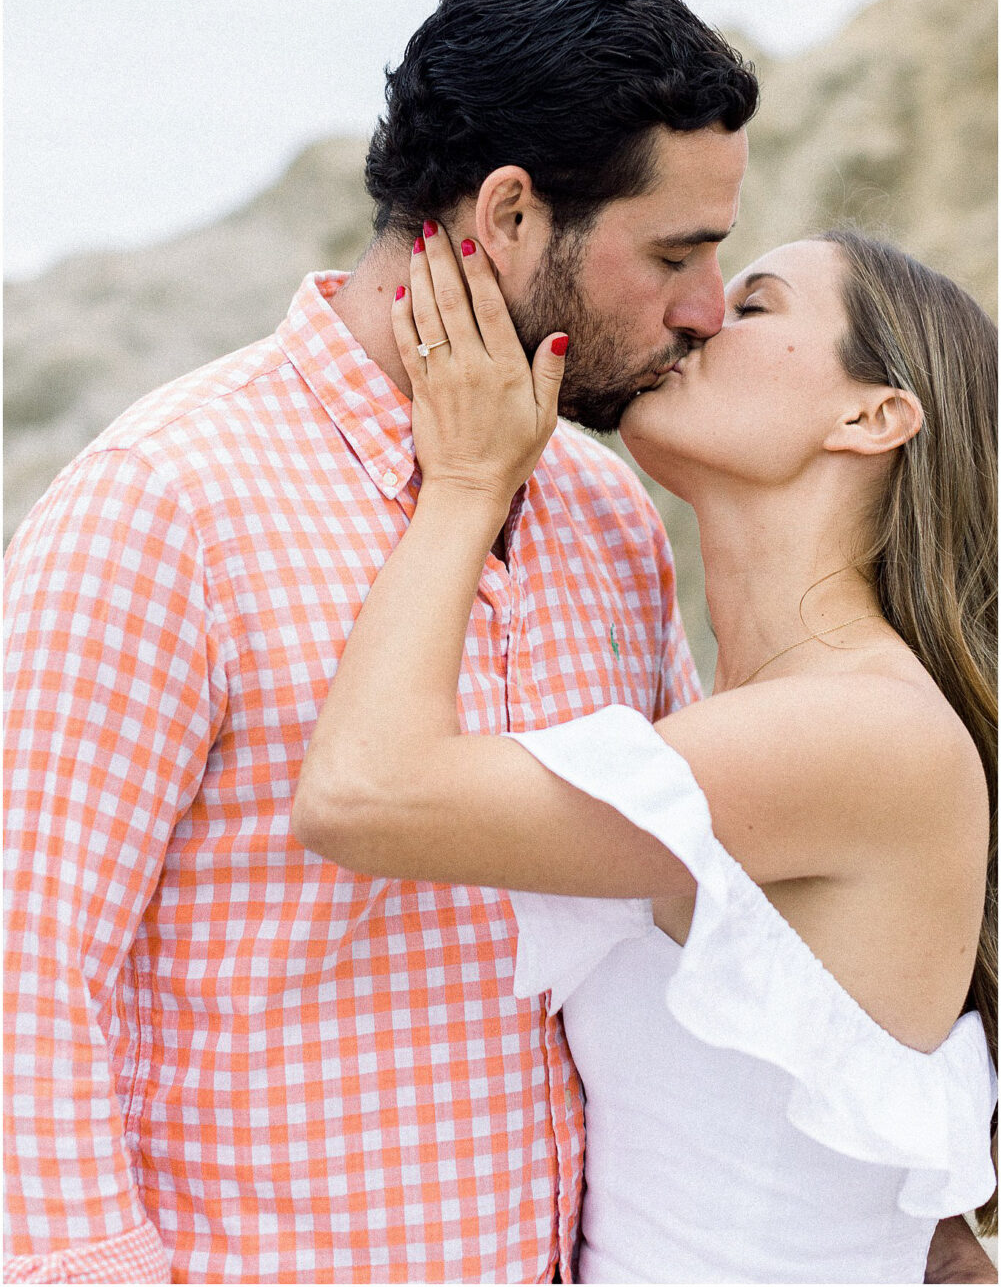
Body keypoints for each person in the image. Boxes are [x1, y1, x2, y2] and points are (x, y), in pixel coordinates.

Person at [3, 0, 991, 1285]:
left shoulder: (606, 524)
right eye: (678, 254)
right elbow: (29, 974)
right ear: (513, 217)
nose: (700, 311)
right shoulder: (167, 503)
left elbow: (754, 949)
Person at [292, 225, 998, 1283]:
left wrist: (467, 486)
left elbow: (361, 796)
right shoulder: (758, 716)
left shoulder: (863, 729)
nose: (703, 314)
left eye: (754, 305)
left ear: (870, 414)